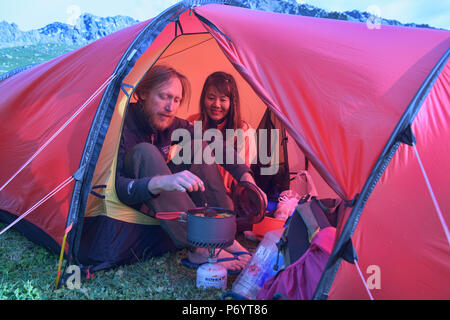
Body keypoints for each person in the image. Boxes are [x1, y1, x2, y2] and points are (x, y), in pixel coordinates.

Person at [115, 65, 264, 272]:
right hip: (134, 199)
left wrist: (245, 176)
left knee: (198, 146)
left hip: (162, 203)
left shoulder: (170, 123)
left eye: (176, 100)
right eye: (163, 96)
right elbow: (117, 187)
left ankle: (222, 237)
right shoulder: (120, 124)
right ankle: (200, 248)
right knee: (145, 152)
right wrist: (160, 181)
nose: (170, 107)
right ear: (142, 94)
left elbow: (211, 141)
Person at [187, 71, 257, 197]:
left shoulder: (243, 132)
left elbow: (240, 175)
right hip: (193, 191)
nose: (216, 105)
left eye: (223, 99)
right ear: (204, 98)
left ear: (232, 102)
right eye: (211, 98)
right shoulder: (192, 123)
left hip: (225, 196)